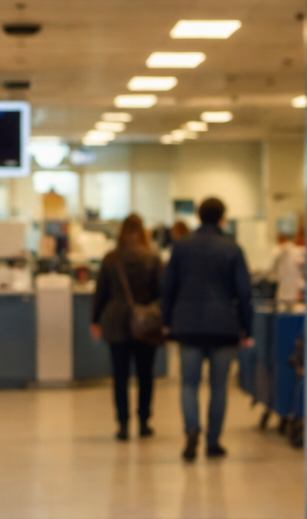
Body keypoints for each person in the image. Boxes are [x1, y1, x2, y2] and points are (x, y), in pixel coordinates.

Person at [162, 197, 254, 462]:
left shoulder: (181, 248)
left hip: (188, 326)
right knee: (219, 386)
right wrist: (246, 329)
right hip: (224, 327)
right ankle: (213, 441)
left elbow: (168, 287)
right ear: (222, 218)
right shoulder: (232, 248)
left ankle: (192, 429)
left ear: (198, 217)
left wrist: (167, 321)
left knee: (189, 384)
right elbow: (244, 292)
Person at [91, 213, 163, 440]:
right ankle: (144, 422)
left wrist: (94, 319)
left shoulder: (111, 259)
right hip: (145, 323)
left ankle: (122, 424)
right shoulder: (153, 258)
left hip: (116, 323)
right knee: (145, 375)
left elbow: (101, 292)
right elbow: (162, 293)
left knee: (120, 376)